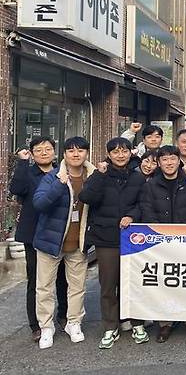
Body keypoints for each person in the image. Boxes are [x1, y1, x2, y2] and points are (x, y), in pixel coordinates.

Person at [78, 137, 147, 348]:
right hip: (105, 238)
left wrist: (132, 216)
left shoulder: (137, 177)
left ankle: (137, 323)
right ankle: (111, 326)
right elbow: (86, 196)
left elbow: (143, 203)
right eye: (115, 152)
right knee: (108, 285)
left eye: (124, 151)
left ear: (130, 153)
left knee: (133, 283)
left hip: (132, 239)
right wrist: (99, 174)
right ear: (109, 154)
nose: (120, 155)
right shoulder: (100, 175)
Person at [140, 145, 186, 342]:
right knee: (165, 281)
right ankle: (165, 324)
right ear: (159, 163)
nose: (169, 163)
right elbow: (146, 208)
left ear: (179, 160)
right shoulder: (151, 184)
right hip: (161, 242)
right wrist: (157, 231)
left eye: (173, 159)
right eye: (164, 159)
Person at [32, 136, 95, 349]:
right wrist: (59, 185)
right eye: (71, 150)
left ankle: (74, 323)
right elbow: (39, 203)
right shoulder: (52, 177)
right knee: (44, 288)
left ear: (87, 153)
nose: (76, 154)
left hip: (79, 243)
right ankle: (46, 327)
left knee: (77, 287)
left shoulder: (93, 176)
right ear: (65, 154)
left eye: (80, 150)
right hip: (51, 243)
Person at [9, 136, 69, 343]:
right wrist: (22, 162)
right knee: (36, 279)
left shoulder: (62, 172)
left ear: (55, 151)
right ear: (33, 154)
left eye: (48, 149)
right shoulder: (28, 172)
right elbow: (16, 189)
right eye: (38, 150)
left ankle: (64, 316)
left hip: (60, 232)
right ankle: (36, 324)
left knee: (63, 276)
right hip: (34, 234)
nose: (44, 152)